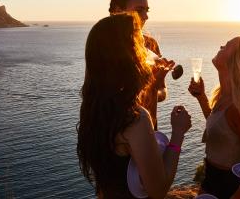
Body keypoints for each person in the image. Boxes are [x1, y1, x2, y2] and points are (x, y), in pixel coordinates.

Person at [77, 13, 192, 199]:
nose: (147, 50)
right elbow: (158, 191)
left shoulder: (95, 109)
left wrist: (152, 87)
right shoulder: (135, 119)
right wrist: (178, 134)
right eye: (139, 43)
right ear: (127, 56)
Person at [188, 34, 240, 199]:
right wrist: (201, 97)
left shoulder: (238, 110)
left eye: (226, 46)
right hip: (211, 178)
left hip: (232, 186)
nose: (221, 46)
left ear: (236, 61)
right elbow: (221, 127)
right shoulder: (223, 97)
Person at [109, 0, 175, 129]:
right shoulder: (105, 47)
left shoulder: (150, 44)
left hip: (149, 129)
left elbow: (162, 93)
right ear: (118, 11)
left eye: (147, 10)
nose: (146, 16)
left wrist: (156, 84)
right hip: (117, 132)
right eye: (139, 11)